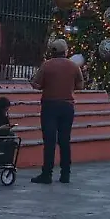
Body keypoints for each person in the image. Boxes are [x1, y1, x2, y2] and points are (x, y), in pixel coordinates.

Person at [30, 41, 85, 184]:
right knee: (64, 141)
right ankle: (65, 174)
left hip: (50, 105)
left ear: (51, 51)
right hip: (67, 106)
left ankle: (47, 174)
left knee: (49, 142)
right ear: (65, 51)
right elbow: (80, 85)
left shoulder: (46, 65)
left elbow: (37, 84)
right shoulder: (73, 66)